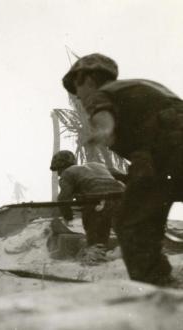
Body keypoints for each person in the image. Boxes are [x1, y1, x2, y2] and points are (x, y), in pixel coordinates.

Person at [62, 53, 183, 285]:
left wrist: (102, 131)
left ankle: (158, 286)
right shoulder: (143, 87)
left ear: (88, 79)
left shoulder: (101, 93)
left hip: (161, 150)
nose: (77, 95)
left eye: (77, 85)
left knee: (131, 222)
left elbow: (103, 116)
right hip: (172, 147)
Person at [50, 150, 125, 264]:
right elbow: (125, 177)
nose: (59, 174)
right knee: (123, 232)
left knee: (96, 238)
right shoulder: (99, 166)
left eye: (58, 170)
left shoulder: (68, 173)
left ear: (62, 167)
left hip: (96, 201)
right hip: (120, 199)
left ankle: (95, 262)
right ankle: (124, 256)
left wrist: (68, 216)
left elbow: (64, 198)